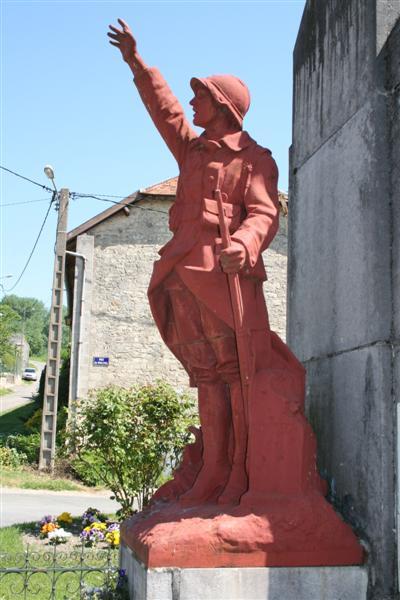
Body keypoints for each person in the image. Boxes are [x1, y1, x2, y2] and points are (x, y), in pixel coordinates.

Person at [108, 19, 280, 506]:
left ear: (222, 107)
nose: (191, 104)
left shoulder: (254, 159)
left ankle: (237, 474)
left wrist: (244, 245)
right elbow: (162, 111)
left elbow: (266, 212)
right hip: (184, 272)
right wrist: (138, 64)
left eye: (200, 97)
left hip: (224, 279)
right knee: (206, 371)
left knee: (233, 373)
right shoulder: (192, 149)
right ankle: (212, 470)